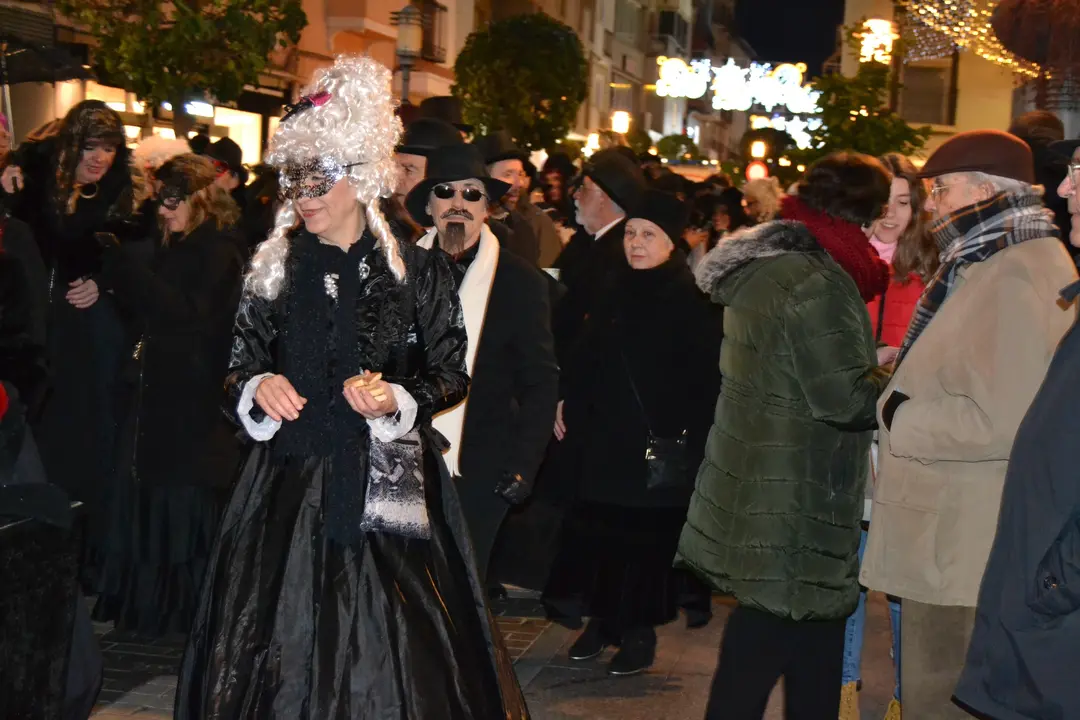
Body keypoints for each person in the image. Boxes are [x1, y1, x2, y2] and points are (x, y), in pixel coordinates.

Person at [174, 55, 528, 719]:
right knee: (276, 642)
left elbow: (451, 370)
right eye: (297, 179)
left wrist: (398, 398)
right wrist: (258, 388)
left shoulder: (417, 272)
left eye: (321, 178)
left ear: (359, 180)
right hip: (286, 487)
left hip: (387, 490)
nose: (305, 195)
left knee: (397, 648)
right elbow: (233, 367)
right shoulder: (270, 272)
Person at [861, 130, 1077, 719]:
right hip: (954, 531)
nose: (930, 204)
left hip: (960, 543)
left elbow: (1003, 419)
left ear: (985, 189)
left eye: (942, 189)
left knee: (939, 695)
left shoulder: (1013, 271)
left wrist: (902, 415)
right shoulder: (993, 256)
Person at [677, 152, 892, 719]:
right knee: (762, 644)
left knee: (808, 646)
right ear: (862, 215)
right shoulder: (819, 279)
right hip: (796, 489)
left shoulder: (774, 263)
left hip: (766, 474)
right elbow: (842, 397)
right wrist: (895, 373)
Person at [543, 190, 722, 677]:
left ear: (672, 244)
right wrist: (565, 397)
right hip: (601, 439)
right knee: (599, 534)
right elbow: (583, 355)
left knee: (643, 543)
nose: (636, 243)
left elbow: (705, 379)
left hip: (653, 445)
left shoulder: (692, 298)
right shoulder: (610, 287)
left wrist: (687, 438)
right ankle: (601, 623)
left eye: (649, 235)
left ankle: (639, 632)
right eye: (631, 233)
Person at [953, 135, 1080, 720]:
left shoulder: (1022, 269)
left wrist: (1057, 582)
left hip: (1057, 611)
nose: (1064, 188)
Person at [91, 154, 245, 637]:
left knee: (179, 502)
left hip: (189, 405)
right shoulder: (176, 246)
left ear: (200, 199)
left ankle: (178, 610)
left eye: (174, 200)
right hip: (160, 398)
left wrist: (127, 272)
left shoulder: (217, 251)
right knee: (154, 497)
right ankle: (151, 607)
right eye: (161, 200)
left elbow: (186, 316)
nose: (163, 210)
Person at [0, 100, 145, 583]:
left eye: (108, 147)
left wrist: (104, 282)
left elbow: (138, 263)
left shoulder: (122, 197)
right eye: (90, 146)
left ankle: (90, 555)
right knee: (43, 438)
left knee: (94, 437)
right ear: (69, 145)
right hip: (40, 334)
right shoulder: (30, 186)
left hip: (95, 336)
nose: (100, 157)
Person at [407, 143, 559, 587]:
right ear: (429, 207)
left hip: (480, 470)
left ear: (487, 209)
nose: (459, 204)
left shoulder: (519, 280)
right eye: (446, 191)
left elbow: (540, 381)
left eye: (472, 194)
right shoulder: (397, 270)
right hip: (401, 459)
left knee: (461, 592)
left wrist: (522, 467)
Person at [841, 152, 939, 720]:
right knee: (847, 574)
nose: (891, 214)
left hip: (907, 441)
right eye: (884, 201)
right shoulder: (842, 264)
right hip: (850, 437)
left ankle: (907, 695)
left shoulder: (931, 267)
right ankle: (844, 689)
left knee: (900, 580)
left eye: (903, 202)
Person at [474, 130, 563, 268]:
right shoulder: (465, 224)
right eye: (508, 174)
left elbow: (549, 279)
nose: (519, 183)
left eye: (520, 174)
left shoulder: (536, 223)